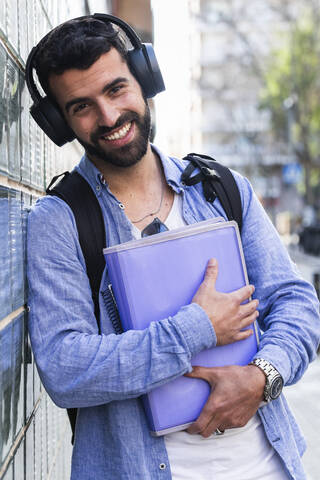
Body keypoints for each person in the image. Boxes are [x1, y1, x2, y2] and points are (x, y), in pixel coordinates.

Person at [26, 15, 320, 480]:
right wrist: (196, 328)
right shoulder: (58, 221)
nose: (108, 117)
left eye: (116, 89)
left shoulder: (223, 188)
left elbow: (297, 303)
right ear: (59, 122)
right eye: (81, 106)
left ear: (145, 80)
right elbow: (66, 368)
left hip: (269, 466)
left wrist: (262, 376)